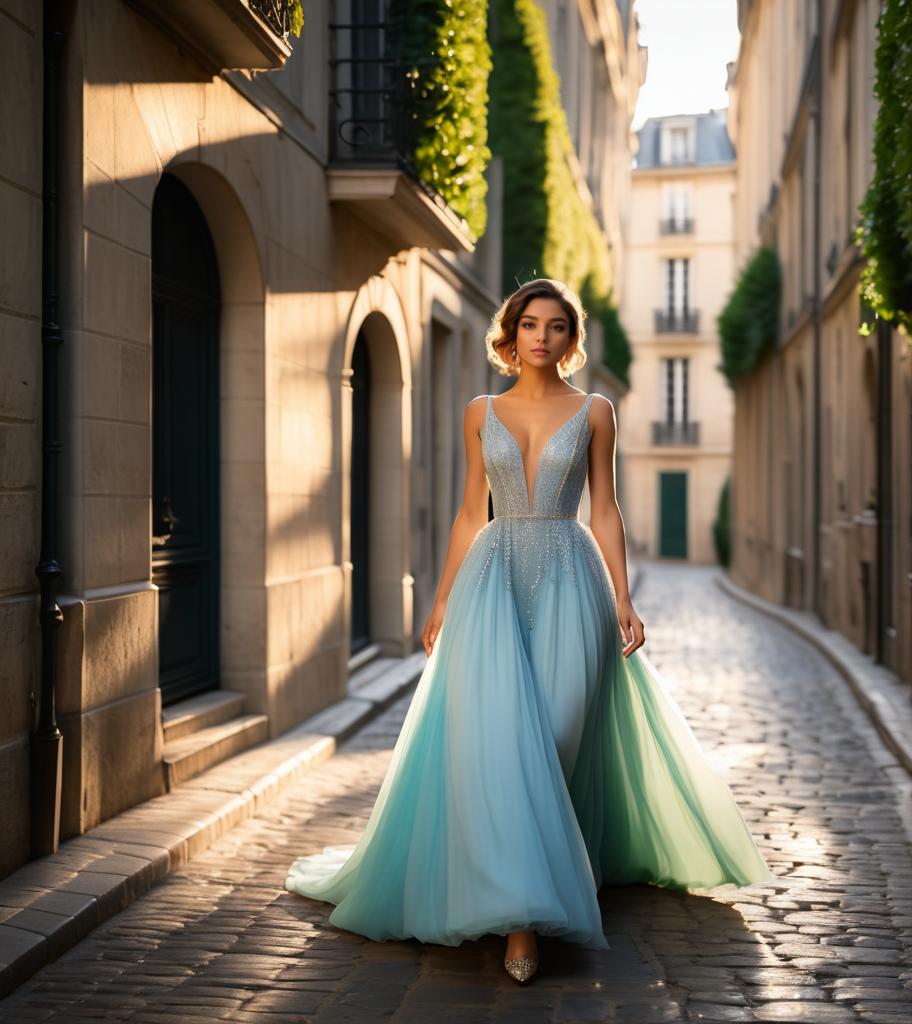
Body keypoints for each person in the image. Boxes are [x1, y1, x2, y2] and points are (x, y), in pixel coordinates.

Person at [284, 278, 772, 984]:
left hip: (575, 578)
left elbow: (605, 511)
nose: (542, 336)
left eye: (556, 326)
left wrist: (625, 597)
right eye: (530, 324)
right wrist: (442, 597)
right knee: (505, 742)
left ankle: (546, 871)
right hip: (491, 581)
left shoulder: (596, 411)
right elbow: (467, 512)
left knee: (561, 732)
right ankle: (520, 922)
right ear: (509, 336)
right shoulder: (479, 409)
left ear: (572, 340)